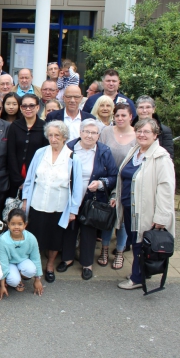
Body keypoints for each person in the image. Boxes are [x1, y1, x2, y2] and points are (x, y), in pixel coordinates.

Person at [115, 118, 176, 290]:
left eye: (146, 132)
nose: (141, 135)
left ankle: (136, 278)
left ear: (155, 135)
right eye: (139, 131)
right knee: (135, 242)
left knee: (141, 244)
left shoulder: (161, 157)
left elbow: (166, 189)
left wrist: (161, 217)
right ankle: (139, 272)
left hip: (146, 210)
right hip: (130, 208)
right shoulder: (135, 151)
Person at [22, 120, 84, 283]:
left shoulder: (72, 158)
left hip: (59, 205)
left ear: (64, 137)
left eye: (57, 135)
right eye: (50, 135)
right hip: (37, 202)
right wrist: (25, 200)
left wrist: (73, 210)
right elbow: (29, 179)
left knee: (55, 238)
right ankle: (31, 265)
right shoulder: (40, 153)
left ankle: (49, 265)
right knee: (33, 235)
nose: (53, 138)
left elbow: (77, 187)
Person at [59, 119, 118, 280]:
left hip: (92, 198)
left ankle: (87, 263)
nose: (90, 136)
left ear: (98, 135)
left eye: (94, 133)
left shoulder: (104, 151)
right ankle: (67, 258)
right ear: (80, 132)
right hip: (70, 196)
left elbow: (113, 175)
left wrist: (100, 183)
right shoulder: (69, 148)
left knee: (88, 231)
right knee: (69, 228)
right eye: (87, 132)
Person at [98, 103, 135, 268]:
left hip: (127, 182)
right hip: (107, 180)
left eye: (123, 115)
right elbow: (98, 152)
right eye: (117, 115)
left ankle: (120, 252)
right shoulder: (106, 131)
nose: (120, 118)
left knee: (124, 219)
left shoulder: (136, 135)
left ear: (130, 117)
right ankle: (104, 250)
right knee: (108, 216)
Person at [0, 209, 43, 298]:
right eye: (13, 224)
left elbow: (36, 258)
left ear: (25, 225)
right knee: (13, 281)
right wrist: (2, 285)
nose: (16, 227)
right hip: (10, 263)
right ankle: (14, 280)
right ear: (8, 224)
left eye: (20, 224)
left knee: (31, 270)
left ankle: (20, 277)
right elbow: (4, 263)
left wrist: (37, 280)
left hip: (23, 261)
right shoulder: (3, 240)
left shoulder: (31, 238)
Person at [6, 100, 49, 198]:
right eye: (24, 106)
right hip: (15, 177)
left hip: (37, 178)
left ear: (38, 107)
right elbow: (11, 154)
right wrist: (18, 180)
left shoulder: (44, 127)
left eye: (31, 105)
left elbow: (45, 155)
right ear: (21, 108)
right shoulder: (15, 126)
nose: (28, 108)